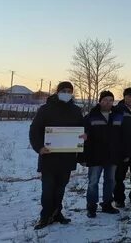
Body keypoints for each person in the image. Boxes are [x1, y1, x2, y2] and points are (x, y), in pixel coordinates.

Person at [29, 81, 85, 230]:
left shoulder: (76, 110)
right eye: (64, 90)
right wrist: (39, 147)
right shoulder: (46, 109)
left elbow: (82, 129)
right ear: (58, 91)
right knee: (48, 189)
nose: (67, 93)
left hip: (66, 158)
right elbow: (34, 130)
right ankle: (45, 217)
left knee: (60, 189)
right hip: (49, 157)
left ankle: (57, 213)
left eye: (69, 91)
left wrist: (83, 136)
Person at [82, 90, 124, 218]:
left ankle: (107, 204)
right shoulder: (91, 116)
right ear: (100, 101)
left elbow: (123, 136)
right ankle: (91, 207)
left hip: (112, 155)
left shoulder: (118, 116)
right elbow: (84, 136)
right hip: (95, 155)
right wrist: (83, 156)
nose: (108, 102)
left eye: (111, 100)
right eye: (105, 100)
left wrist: (122, 153)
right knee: (93, 182)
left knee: (110, 181)